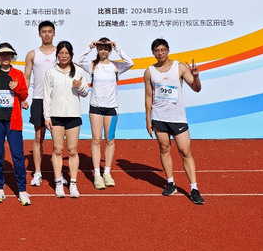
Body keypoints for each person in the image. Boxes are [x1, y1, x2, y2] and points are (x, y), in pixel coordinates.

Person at [143, 38, 205, 205]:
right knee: (164, 149)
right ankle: (170, 183)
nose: (160, 53)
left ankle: (194, 188)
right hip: (159, 117)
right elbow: (148, 96)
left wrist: (196, 77)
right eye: (157, 51)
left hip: (177, 118)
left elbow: (196, 88)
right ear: (153, 53)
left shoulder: (179, 67)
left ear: (168, 50)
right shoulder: (149, 72)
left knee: (185, 151)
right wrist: (148, 118)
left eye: (163, 50)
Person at [75, 38, 134, 189]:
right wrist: (89, 47)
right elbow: (78, 61)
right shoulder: (92, 65)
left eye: (106, 48)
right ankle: (97, 174)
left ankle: (107, 172)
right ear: (97, 49)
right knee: (96, 139)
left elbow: (130, 63)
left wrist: (117, 47)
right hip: (95, 107)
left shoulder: (116, 66)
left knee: (110, 139)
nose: (103, 51)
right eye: (100, 48)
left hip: (111, 108)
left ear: (110, 50)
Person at [0, 43, 31, 206]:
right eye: (2, 55)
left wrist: (17, 88)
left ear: (12, 57)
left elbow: (24, 95)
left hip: (13, 121)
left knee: (17, 156)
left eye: (8, 55)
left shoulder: (18, 74)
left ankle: (22, 190)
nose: (5, 57)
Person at [44, 41, 89, 198]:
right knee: (58, 150)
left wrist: (79, 86)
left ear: (71, 55)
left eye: (66, 53)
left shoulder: (78, 71)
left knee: (72, 150)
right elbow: (47, 96)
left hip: (73, 115)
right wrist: (47, 117)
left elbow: (85, 93)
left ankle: (73, 183)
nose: (64, 56)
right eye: (61, 53)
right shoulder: (51, 72)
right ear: (57, 55)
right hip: (56, 116)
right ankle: (58, 182)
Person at [23, 20, 60, 187]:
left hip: (56, 99)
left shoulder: (60, 53)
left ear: (54, 33)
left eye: (49, 31)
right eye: (44, 31)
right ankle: (37, 173)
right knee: (38, 137)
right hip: (38, 99)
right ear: (39, 34)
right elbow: (27, 77)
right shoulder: (33, 54)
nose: (47, 34)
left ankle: (58, 173)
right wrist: (24, 97)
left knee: (57, 139)